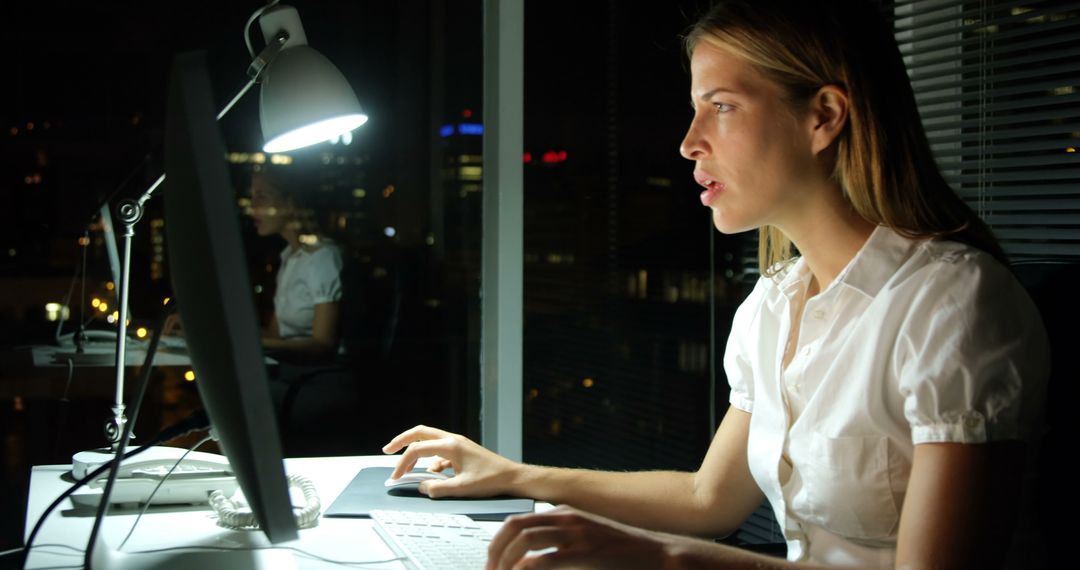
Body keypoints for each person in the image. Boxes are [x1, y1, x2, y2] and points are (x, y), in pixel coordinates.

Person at [381, 0, 1050, 568]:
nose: (689, 142)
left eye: (721, 106)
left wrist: (659, 559)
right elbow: (709, 499)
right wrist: (512, 475)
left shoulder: (954, 305)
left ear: (823, 116)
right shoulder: (775, 303)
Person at [247, 168, 343, 362]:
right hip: (291, 371)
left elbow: (323, 344)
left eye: (262, 196)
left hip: (317, 379)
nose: (252, 207)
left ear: (290, 204)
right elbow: (276, 335)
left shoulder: (322, 256)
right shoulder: (289, 257)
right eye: (252, 197)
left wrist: (257, 343)